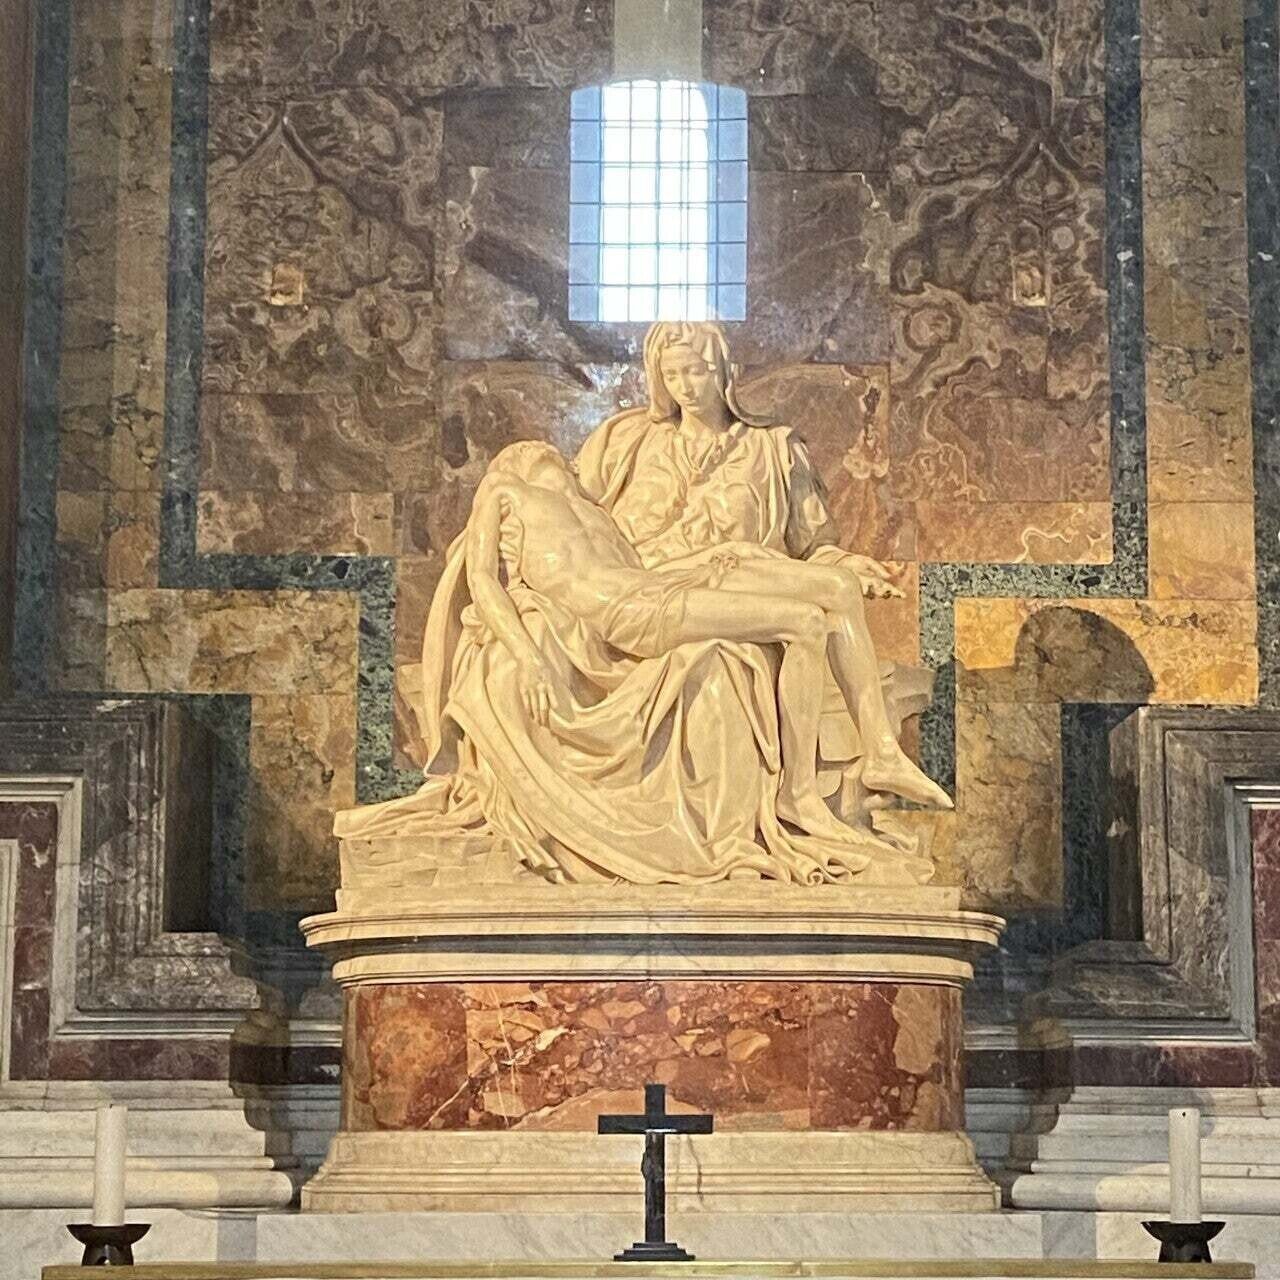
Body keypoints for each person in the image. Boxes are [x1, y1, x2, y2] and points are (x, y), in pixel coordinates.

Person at [467, 441, 950, 853]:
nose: (568, 467)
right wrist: (527, 656)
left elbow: (643, 572)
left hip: (651, 592)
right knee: (803, 624)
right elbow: (482, 579)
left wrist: (732, 556)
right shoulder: (506, 491)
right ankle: (798, 793)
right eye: (553, 458)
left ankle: (882, 752)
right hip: (627, 613)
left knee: (837, 588)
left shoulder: (597, 516)